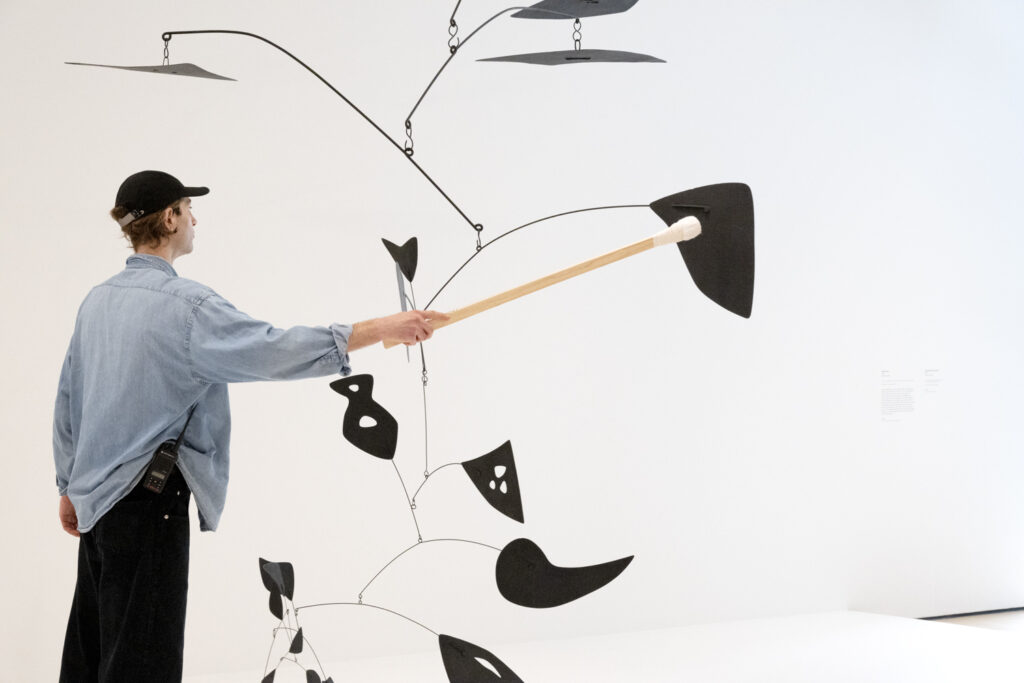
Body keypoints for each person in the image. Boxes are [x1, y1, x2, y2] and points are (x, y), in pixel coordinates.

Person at [53, 170, 446, 681]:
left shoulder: (96, 301)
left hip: (95, 508)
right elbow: (272, 349)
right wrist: (382, 329)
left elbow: (68, 401)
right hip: (149, 506)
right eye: (188, 207)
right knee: (140, 662)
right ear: (170, 218)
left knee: (90, 656)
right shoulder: (188, 308)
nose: (196, 217)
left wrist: (68, 486)